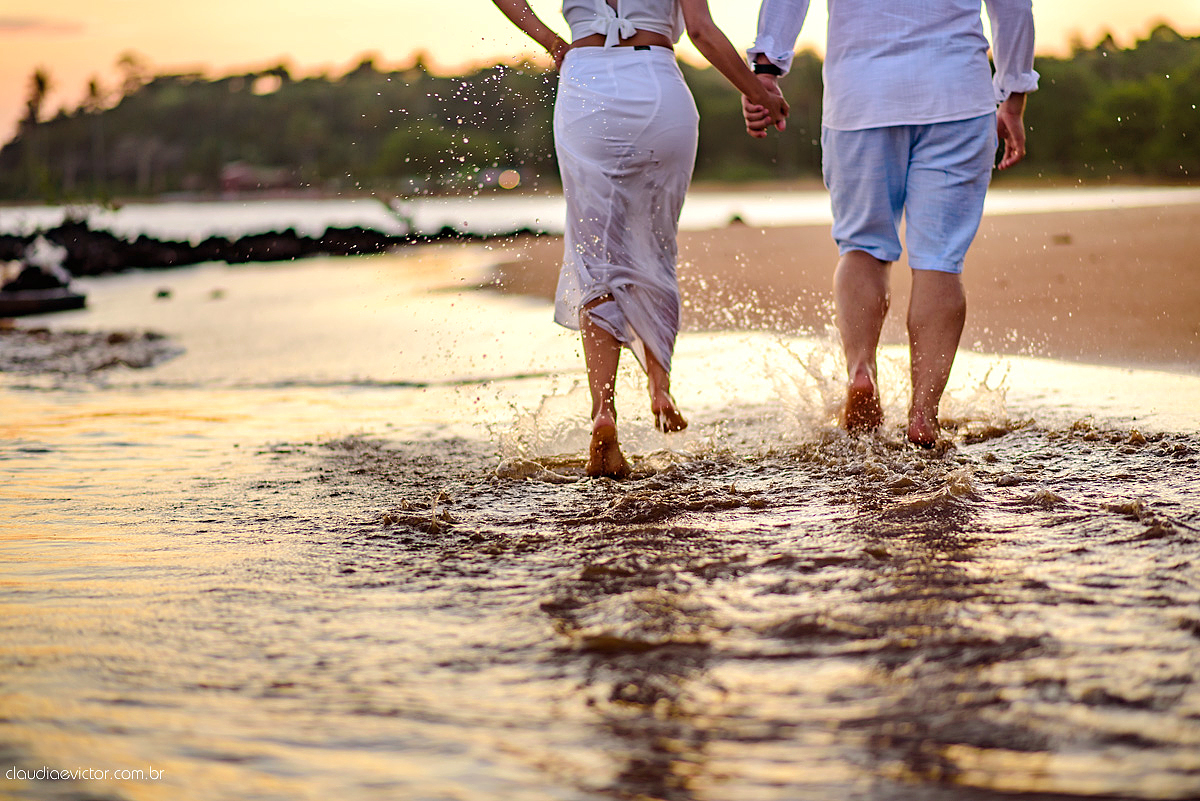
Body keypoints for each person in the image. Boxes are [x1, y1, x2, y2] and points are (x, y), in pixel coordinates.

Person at [491, 0, 788, 476]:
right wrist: (759, 93)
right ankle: (659, 386)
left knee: (593, 259)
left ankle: (603, 412)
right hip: (655, 85)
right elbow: (703, 33)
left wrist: (549, 40)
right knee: (654, 246)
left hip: (585, 86)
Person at [742, 0, 1038, 446]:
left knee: (862, 246)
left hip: (861, 94)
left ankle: (862, 371)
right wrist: (1013, 95)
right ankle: (923, 417)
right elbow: (1012, 6)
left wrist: (765, 69)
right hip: (956, 92)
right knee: (939, 260)